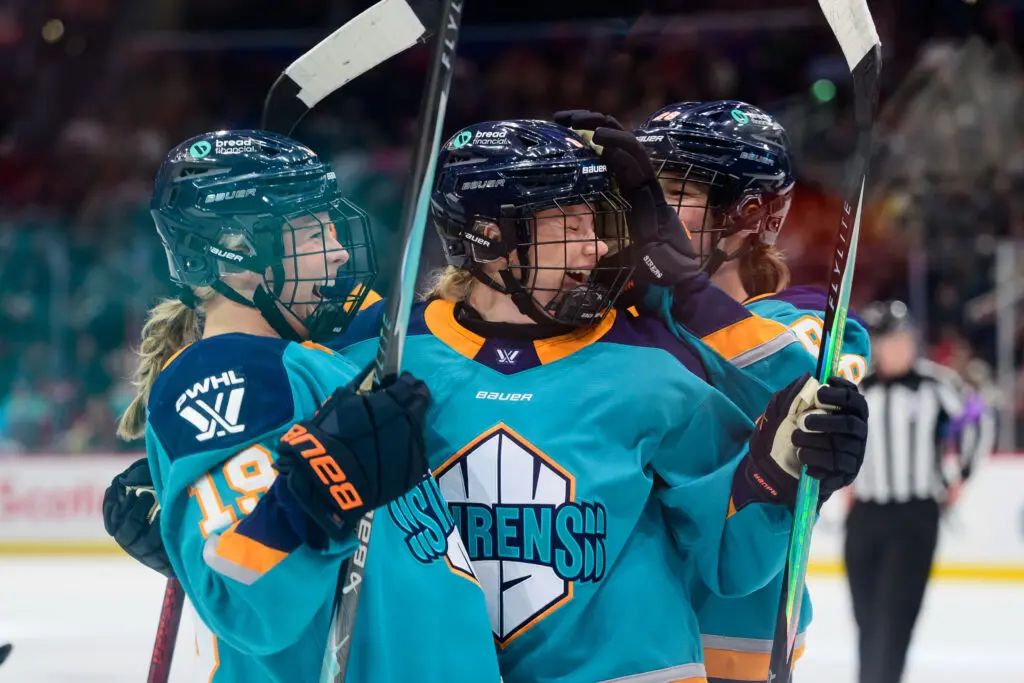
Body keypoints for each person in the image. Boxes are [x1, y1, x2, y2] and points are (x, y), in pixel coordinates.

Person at [330, 119, 870, 683]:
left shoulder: (656, 365)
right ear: (489, 238)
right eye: (569, 224)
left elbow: (733, 552)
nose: (602, 246)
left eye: (597, 221)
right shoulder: (385, 361)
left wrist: (777, 475)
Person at [113, 129, 500, 683]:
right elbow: (243, 599)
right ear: (240, 253)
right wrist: (320, 489)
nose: (340, 250)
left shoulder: (312, 357)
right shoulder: (232, 373)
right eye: (315, 232)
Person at [555, 101, 872, 682]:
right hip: (623, 655)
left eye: (671, 189)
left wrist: (684, 288)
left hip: (734, 651)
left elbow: (806, 397)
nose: (645, 204)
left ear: (748, 213)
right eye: (639, 185)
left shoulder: (807, 323)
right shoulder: (617, 324)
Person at [846, 299, 993, 683]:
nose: (898, 347)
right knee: (866, 618)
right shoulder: (856, 386)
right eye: (889, 340)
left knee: (895, 617)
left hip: (914, 516)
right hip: (864, 516)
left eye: (903, 338)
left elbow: (977, 419)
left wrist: (959, 476)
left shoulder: (935, 384)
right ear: (875, 345)